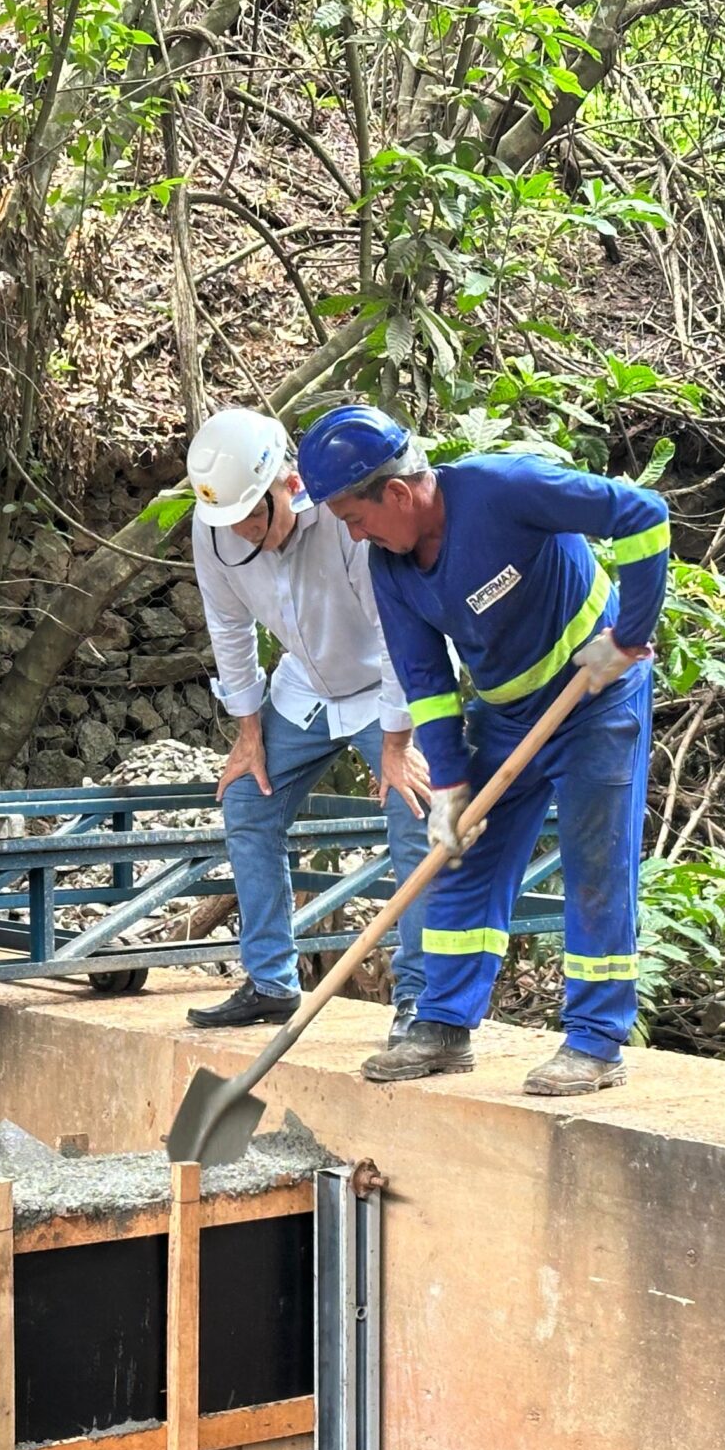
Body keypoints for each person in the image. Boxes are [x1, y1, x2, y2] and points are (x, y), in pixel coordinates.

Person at [300, 406, 671, 1096]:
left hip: (595, 694)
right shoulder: (391, 566)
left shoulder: (505, 488)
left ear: (398, 493)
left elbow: (643, 515)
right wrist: (450, 785)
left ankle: (595, 1042)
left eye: (354, 518)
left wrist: (630, 635)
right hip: (506, 715)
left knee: (595, 864)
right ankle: (444, 1024)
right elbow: (425, 680)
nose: (354, 535)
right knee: (463, 856)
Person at [184, 408, 432, 1041]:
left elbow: (399, 638)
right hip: (306, 688)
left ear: (290, 486)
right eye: (229, 520)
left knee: (414, 813)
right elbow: (229, 629)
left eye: (252, 514)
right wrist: (248, 734)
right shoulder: (215, 528)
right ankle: (271, 981)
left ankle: (420, 997)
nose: (241, 531)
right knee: (247, 800)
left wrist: (398, 745)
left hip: (387, 688)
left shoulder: (346, 521)